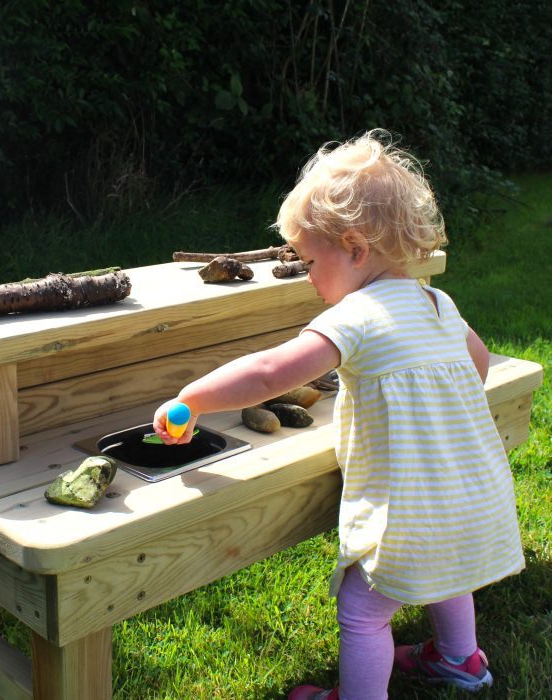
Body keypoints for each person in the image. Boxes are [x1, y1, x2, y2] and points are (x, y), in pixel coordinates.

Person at [153, 129, 525, 700]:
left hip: (414, 519)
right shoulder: (437, 302)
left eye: (308, 261)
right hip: (477, 500)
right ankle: (460, 660)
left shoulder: (358, 315)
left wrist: (192, 398)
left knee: (361, 610)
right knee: (449, 571)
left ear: (354, 249)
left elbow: (271, 373)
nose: (306, 276)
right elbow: (474, 366)